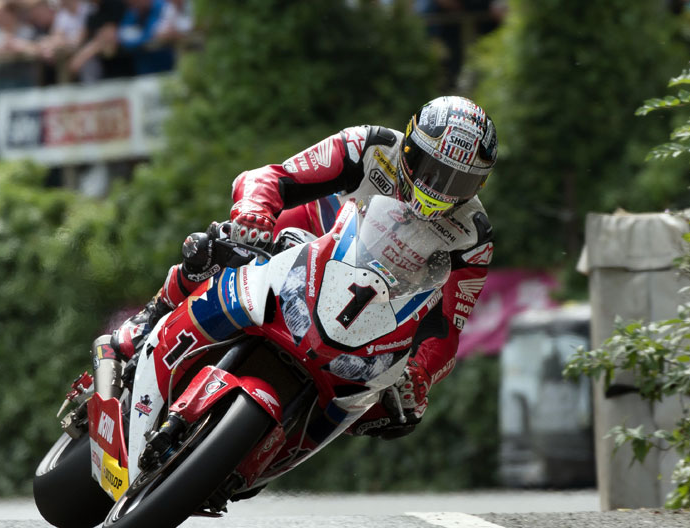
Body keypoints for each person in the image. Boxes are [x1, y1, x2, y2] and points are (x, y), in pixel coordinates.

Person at [111, 96, 498, 440]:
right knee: (213, 246)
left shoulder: (473, 236)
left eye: (458, 181)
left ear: (479, 184)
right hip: (309, 234)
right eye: (431, 169)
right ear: (411, 148)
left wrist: (420, 375)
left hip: (371, 302)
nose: (439, 189)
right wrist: (254, 211)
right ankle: (153, 316)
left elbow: (447, 326)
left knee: (391, 405)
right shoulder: (370, 146)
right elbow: (272, 177)